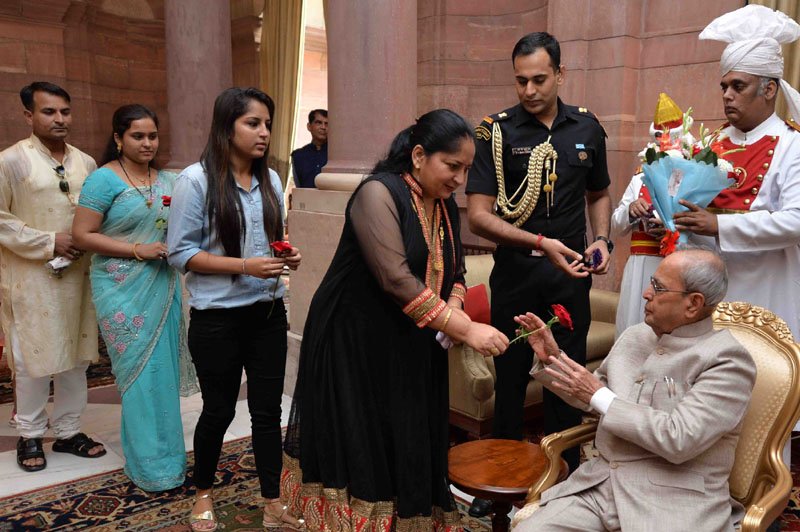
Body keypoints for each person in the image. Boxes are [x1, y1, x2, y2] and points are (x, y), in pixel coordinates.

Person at [282, 109, 510, 531]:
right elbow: (395, 278)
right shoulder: (378, 194)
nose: (460, 179)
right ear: (419, 156)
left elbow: (457, 272)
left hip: (413, 339)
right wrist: (464, 328)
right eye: (453, 166)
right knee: (366, 442)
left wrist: (453, 307)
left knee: (409, 435)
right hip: (354, 341)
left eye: (466, 169)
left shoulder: (444, 205)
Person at [465, 32, 612, 514]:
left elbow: (598, 194)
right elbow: (479, 216)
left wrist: (601, 239)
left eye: (539, 79)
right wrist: (539, 243)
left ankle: (563, 481)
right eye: (520, 80)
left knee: (565, 380)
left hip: (570, 277)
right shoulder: (496, 132)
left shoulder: (586, 127)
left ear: (560, 74)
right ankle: (500, 481)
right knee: (509, 380)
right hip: (516, 276)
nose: (528, 90)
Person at [514, 248, 756, 531]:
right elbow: (592, 398)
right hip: (601, 486)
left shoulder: (727, 361)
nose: (645, 293)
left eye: (658, 288)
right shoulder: (636, 335)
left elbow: (679, 439)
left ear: (693, 304)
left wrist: (598, 394)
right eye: (651, 282)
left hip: (672, 501)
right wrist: (553, 359)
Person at [167, 87, 301, 531]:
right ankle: (203, 493)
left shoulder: (272, 180)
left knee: (267, 413)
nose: (264, 133)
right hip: (217, 319)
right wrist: (244, 265)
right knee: (219, 411)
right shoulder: (195, 181)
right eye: (253, 123)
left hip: (267, 314)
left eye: (267, 124)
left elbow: (270, 240)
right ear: (227, 127)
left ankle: (273, 501)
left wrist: (287, 255)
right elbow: (180, 253)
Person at [72, 104, 196, 491]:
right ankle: (148, 467)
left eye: (152, 136)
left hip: (163, 284)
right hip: (119, 287)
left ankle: (169, 461)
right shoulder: (103, 180)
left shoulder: (170, 180)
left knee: (162, 373)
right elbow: (82, 235)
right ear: (118, 138)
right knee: (139, 376)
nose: (147, 143)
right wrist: (138, 250)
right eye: (137, 136)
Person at [673, 4, 800, 339]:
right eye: (724, 86)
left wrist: (718, 225)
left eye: (738, 86)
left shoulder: (793, 144)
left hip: (768, 288)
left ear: (769, 90)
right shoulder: (710, 143)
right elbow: (692, 211)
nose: (727, 96)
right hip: (707, 291)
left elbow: (796, 221)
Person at [0, 82, 105, 473]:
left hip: (78, 275)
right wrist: (49, 241)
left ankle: (68, 430)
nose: (59, 119)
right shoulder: (10, 162)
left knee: (75, 356)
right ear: (29, 115)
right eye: (49, 112)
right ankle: (29, 434)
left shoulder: (86, 163)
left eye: (65, 111)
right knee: (31, 357)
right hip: (32, 277)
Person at [611, 94, 686, 338]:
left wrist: (672, 230)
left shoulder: (690, 178)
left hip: (675, 267)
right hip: (639, 263)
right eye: (660, 139)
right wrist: (631, 210)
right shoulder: (639, 178)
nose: (666, 145)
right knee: (632, 327)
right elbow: (616, 224)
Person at [290, 109, 328, 188]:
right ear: (309, 126)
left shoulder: (336, 155)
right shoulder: (298, 156)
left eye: (327, 124)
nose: (323, 127)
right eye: (319, 123)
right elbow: (299, 186)